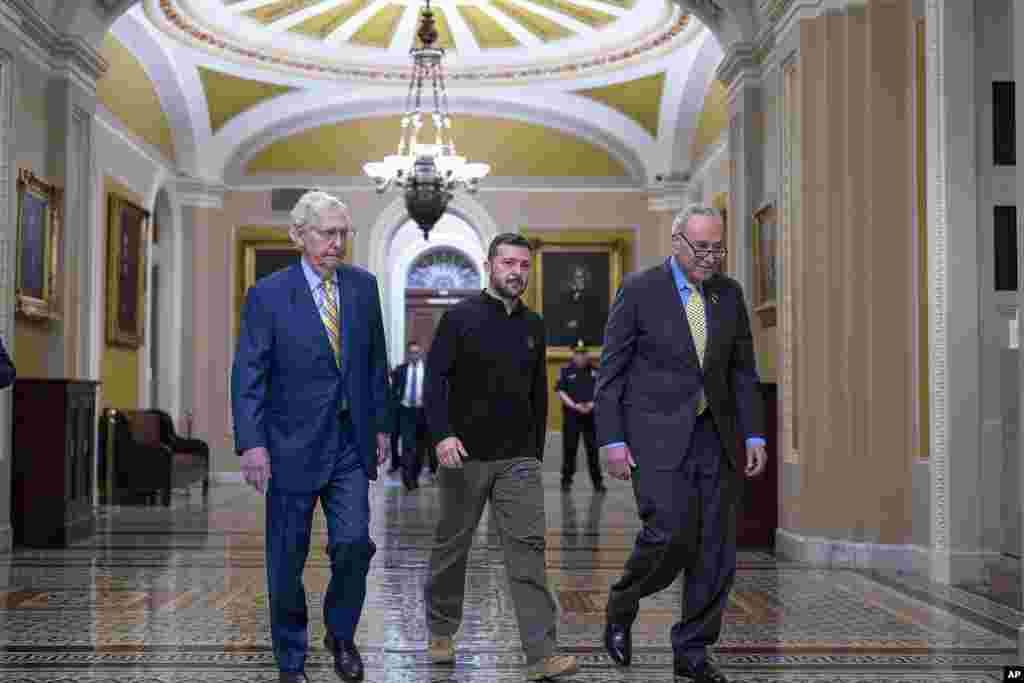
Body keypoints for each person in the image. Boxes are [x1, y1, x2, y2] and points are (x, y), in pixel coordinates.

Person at [595, 204, 767, 683]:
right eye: (702, 248)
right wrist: (611, 439)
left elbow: (742, 372)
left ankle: (692, 649)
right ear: (676, 241)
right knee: (667, 534)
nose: (711, 258)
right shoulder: (638, 290)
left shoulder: (729, 295)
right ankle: (623, 601)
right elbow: (610, 375)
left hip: (717, 437)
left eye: (718, 248)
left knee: (716, 548)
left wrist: (754, 432)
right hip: (655, 438)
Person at [231, 190, 392, 683]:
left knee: (353, 546)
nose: (337, 243)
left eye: (344, 233)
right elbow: (249, 374)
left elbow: (374, 363)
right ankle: (291, 659)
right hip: (288, 447)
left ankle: (341, 635)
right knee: (286, 559)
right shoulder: (268, 295)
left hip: (349, 444)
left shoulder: (363, 288)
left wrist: (381, 423)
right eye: (327, 233)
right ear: (297, 235)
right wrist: (252, 443)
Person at [421, 233, 578, 681]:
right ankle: (440, 630)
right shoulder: (459, 318)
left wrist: (534, 450)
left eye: (524, 265)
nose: (516, 272)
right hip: (463, 457)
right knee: (452, 549)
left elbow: (535, 391)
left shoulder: (534, 324)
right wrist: (443, 436)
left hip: (518, 461)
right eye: (508, 263)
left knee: (528, 553)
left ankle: (542, 652)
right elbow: (435, 383)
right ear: (489, 265)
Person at [554, 343, 605, 493]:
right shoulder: (565, 371)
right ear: (573, 354)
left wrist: (592, 404)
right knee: (569, 450)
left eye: (584, 353)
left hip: (590, 417)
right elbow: (560, 391)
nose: (581, 356)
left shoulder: (596, 371)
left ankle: (597, 482)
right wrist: (574, 405)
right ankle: (566, 481)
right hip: (572, 417)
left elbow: (601, 391)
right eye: (578, 353)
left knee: (593, 451)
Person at [391, 340, 431, 490]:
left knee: (420, 448)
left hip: (422, 412)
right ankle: (407, 478)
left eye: (417, 352)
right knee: (407, 445)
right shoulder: (400, 370)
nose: (414, 355)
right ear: (408, 354)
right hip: (406, 411)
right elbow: (393, 392)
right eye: (411, 352)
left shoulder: (428, 371)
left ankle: (414, 475)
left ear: (420, 353)